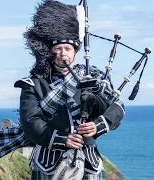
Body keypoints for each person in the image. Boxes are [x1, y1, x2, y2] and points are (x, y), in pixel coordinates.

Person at [14, 1, 126, 179]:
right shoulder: (34, 83)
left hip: (89, 161)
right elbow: (30, 121)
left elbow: (117, 107)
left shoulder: (93, 76)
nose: (63, 53)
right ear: (49, 52)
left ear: (75, 51)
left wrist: (97, 126)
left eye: (67, 48)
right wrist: (62, 139)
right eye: (57, 49)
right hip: (48, 163)